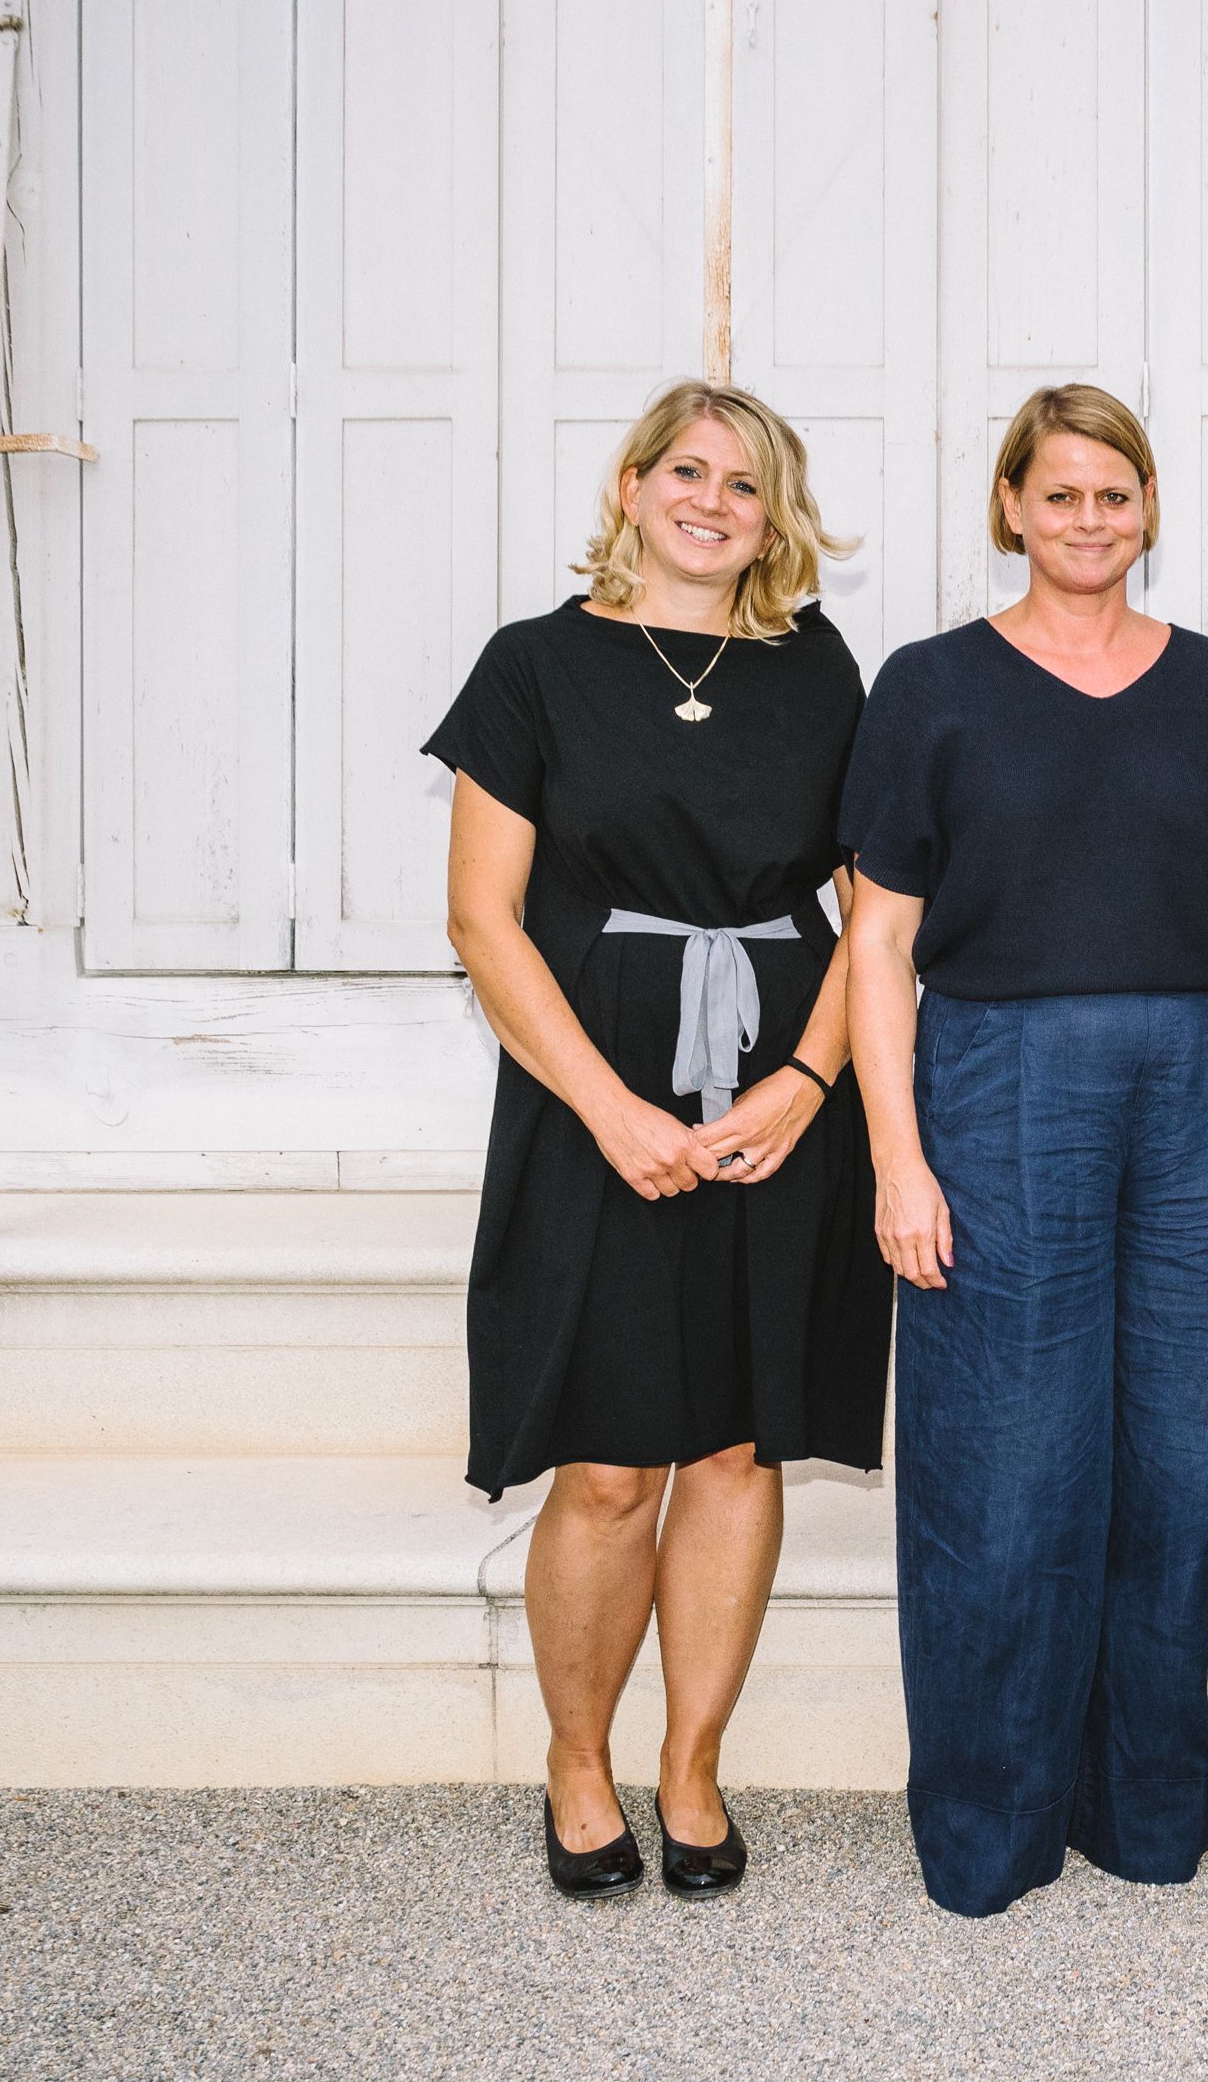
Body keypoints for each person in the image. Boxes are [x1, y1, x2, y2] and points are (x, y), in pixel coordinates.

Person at [428, 379, 888, 1902]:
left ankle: (692, 1762)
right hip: (595, 1078)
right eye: (686, 470)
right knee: (614, 1458)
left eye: (746, 484)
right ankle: (578, 1759)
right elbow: (483, 921)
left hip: (776, 1079)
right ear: (631, 486)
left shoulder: (823, 671)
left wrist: (809, 1083)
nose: (712, 501)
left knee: (738, 1443)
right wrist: (611, 1107)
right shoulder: (536, 666)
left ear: (777, 516)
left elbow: (878, 911)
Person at [839, 385, 1208, 1919]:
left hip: (1198, 1087)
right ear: (1010, 507)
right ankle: (990, 1822)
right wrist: (897, 1156)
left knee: (1172, 1459)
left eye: (1116, 494)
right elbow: (877, 940)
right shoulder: (932, 686)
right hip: (999, 1079)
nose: (1089, 519)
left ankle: (1147, 1797)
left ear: (1148, 510)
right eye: (1061, 493)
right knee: (1008, 1468)